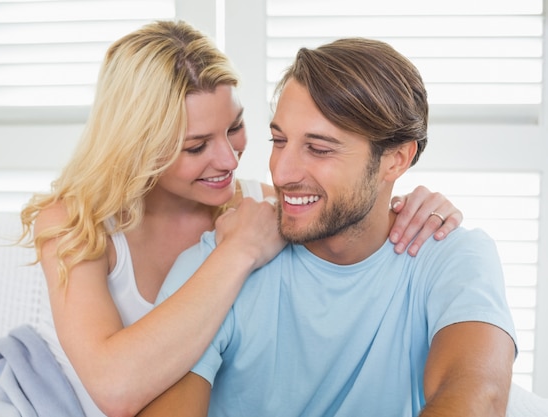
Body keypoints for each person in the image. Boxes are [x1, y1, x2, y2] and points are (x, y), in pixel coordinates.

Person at [0, 23, 461, 417]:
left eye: (236, 128)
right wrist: (237, 252)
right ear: (138, 147)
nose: (229, 160)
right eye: (196, 146)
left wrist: (418, 202)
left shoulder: (265, 205)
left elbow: (348, 200)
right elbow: (112, 388)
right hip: (42, 400)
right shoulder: (75, 221)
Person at [138, 37, 517, 417]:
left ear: (396, 159)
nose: (281, 172)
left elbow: (477, 396)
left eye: (318, 149)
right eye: (279, 140)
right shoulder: (215, 263)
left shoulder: (452, 258)